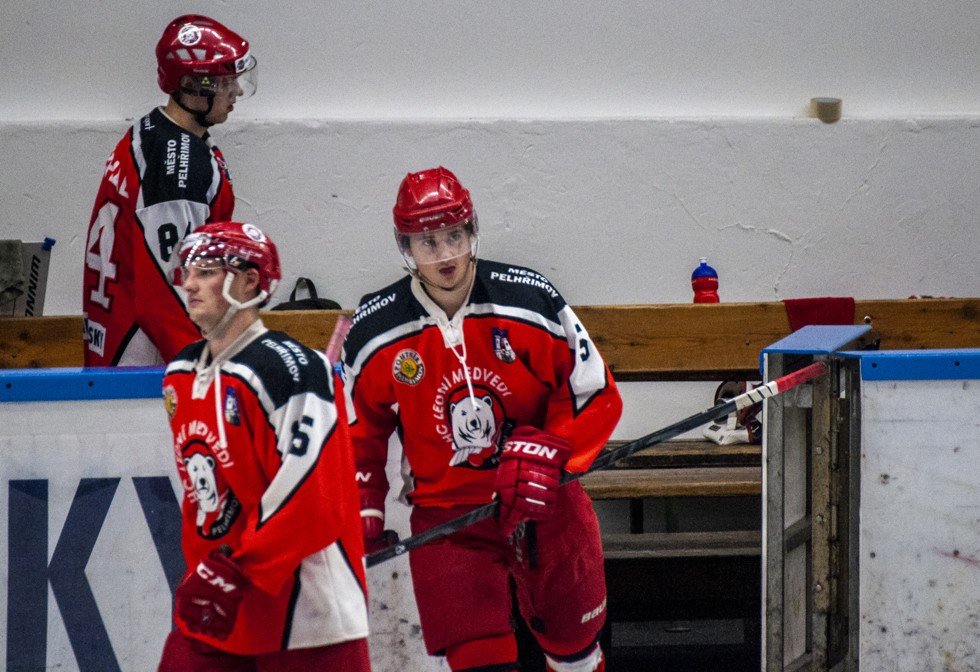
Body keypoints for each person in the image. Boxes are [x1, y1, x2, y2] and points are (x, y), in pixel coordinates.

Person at [342, 167, 623, 672]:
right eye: (427, 241)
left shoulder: (531, 299)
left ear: (472, 231)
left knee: (575, 654)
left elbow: (592, 391)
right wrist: (363, 507)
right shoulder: (375, 328)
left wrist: (553, 453)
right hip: (449, 519)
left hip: (544, 503)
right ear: (406, 246)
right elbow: (358, 431)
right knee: (478, 660)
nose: (444, 253)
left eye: (454, 235)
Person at [158, 221, 370, 671]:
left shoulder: (291, 370)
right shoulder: (180, 373)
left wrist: (240, 568)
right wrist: (209, 573)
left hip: (306, 618)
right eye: (188, 272)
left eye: (206, 272)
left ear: (250, 281)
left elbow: (314, 502)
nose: (189, 284)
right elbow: (206, 500)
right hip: (219, 603)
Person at [83, 14, 257, 366]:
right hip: (145, 361)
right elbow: (168, 291)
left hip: (113, 338)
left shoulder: (151, 131)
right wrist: (203, 367)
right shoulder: (178, 165)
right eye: (225, 81)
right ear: (194, 86)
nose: (237, 91)